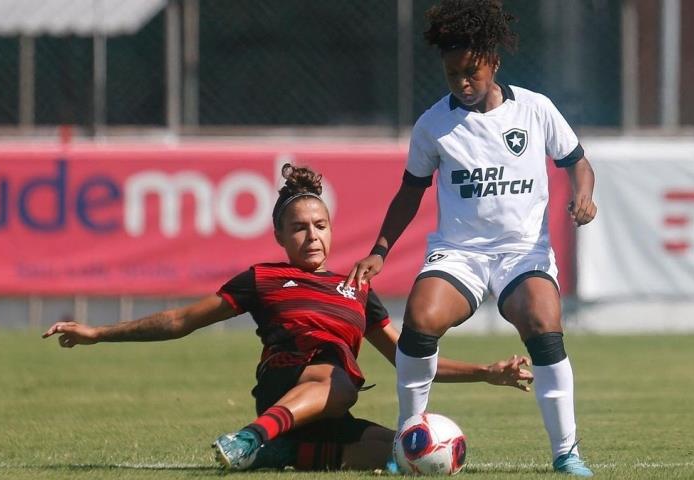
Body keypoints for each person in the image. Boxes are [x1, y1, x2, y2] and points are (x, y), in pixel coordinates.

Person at [43, 163, 534, 472]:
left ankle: (281, 451)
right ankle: (251, 437)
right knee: (336, 373)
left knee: (403, 452)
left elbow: (413, 361)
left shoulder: (357, 289)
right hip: (287, 384)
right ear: (279, 235)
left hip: (329, 407)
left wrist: (488, 373)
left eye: (320, 225)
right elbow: (181, 320)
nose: (312, 236)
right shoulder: (263, 277)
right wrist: (97, 334)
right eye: (298, 228)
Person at [346, 1, 597, 476]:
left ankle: (567, 452)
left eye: (471, 71)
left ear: (494, 62)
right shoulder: (433, 125)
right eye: (452, 73)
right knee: (420, 318)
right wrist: (380, 250)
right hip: (459, 253)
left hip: (522, 253)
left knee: (544, 322)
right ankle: (406, 440)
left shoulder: (536, 109)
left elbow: (577, 161)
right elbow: (409, 192)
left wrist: (583, 196)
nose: (462, 82)